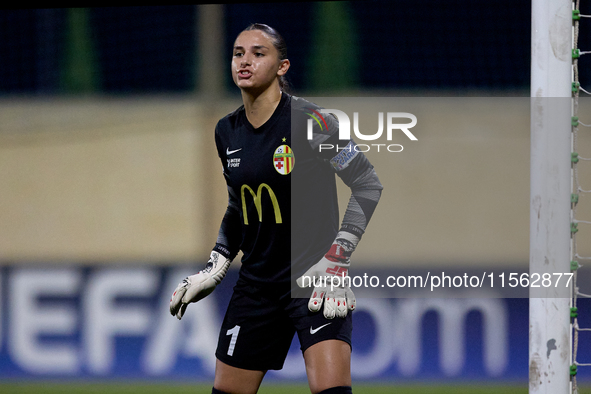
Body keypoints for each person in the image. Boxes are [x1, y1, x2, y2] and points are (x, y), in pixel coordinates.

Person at [170, 23, 382, 394]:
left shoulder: (313, 121)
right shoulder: (226, 132)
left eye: (258, 53)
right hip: (256, 286)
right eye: (238, 53)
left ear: (282, 67)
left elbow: (367, 183)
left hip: (315, 281)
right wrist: (217, 264)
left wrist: (338, 257)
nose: (244, 61)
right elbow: (239, 205)